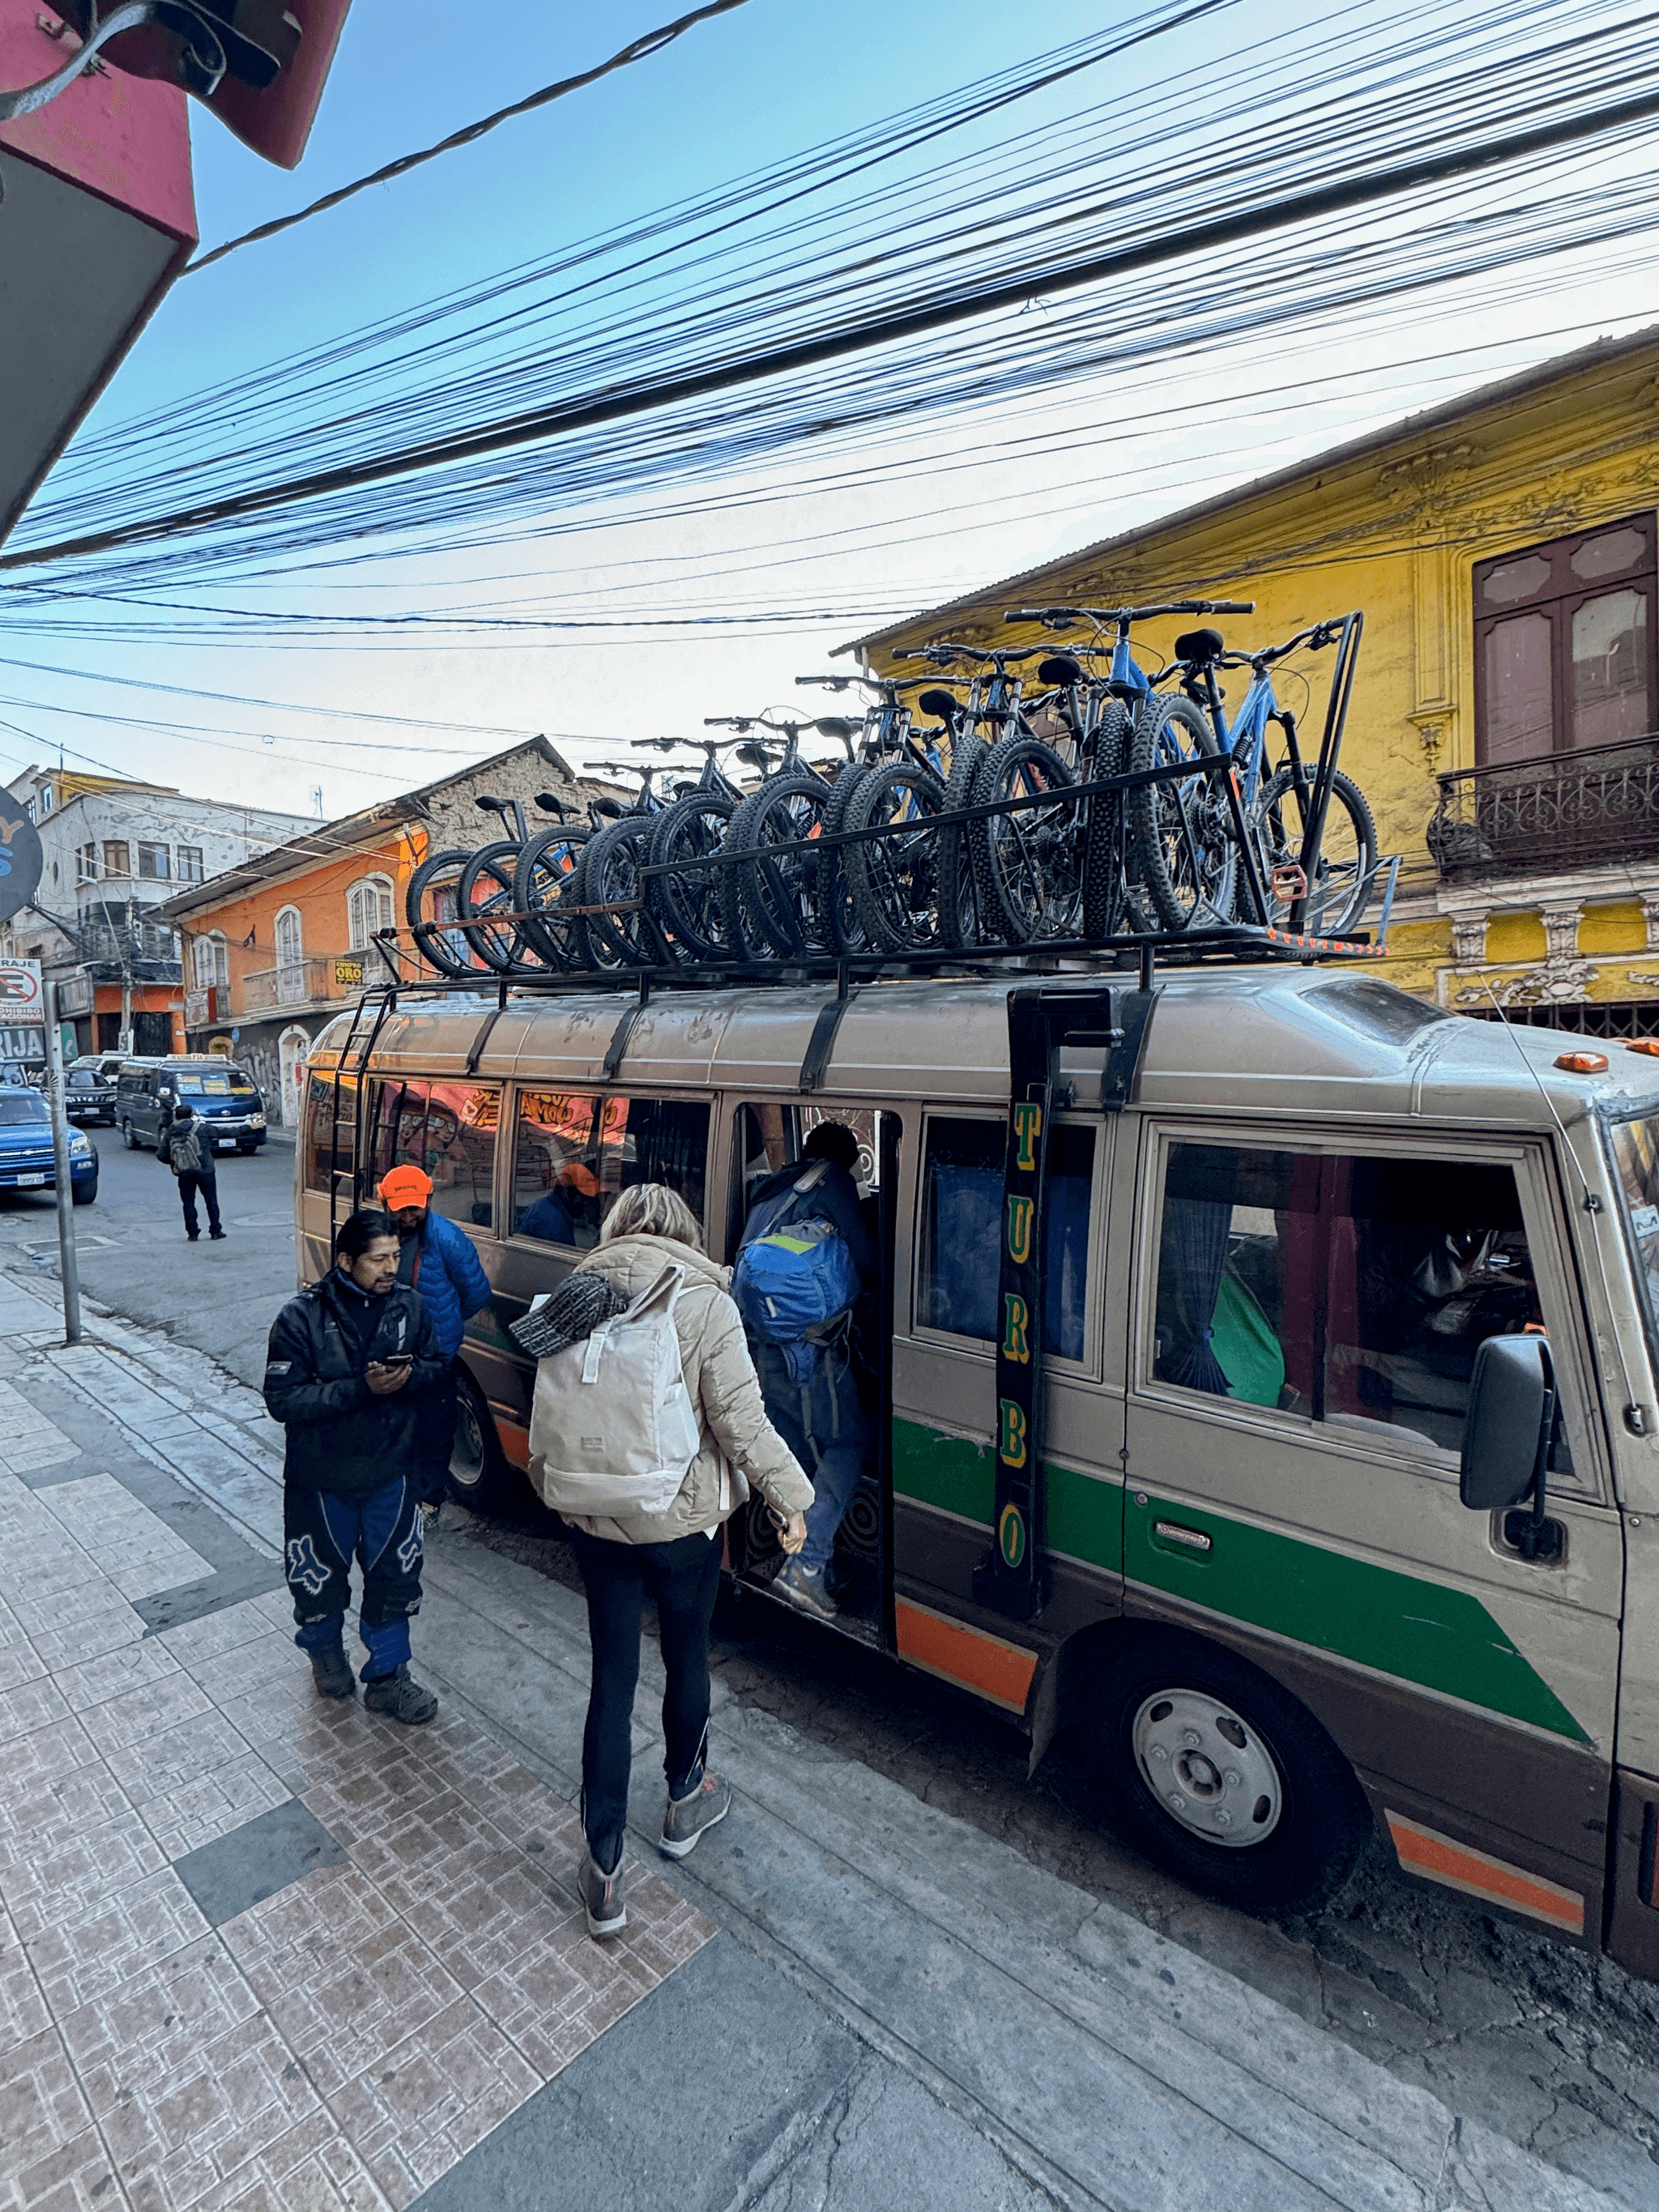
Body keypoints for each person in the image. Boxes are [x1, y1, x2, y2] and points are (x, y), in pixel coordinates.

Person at [535, 1181, 812, 1940]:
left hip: (598, 1519)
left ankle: (602, 1872)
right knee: (687, 1658)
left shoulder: (577, 1289)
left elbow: (551, 1407)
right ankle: (685, 1802)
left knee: (610, 1679)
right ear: (684, 1230)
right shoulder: (704, 1301)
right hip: (682, 1526)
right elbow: (743, 1424)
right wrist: (792, 1498)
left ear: (620, 1226)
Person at [263, 1208, 447, 1724]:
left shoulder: (411, 1308)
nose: (391, 1267)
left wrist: (409, 1378)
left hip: (392, 1474)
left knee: (396, 1579)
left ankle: (388, 1679)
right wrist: (358, 1389)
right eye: (378, 1259)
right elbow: (283, 1400)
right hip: (320, 1480)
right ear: (346, 1260)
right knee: (317, 1579)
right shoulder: (300, 1317)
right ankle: (325, 1654)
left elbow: (438, 1371)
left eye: (396, 1256)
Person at [743, 1122, 876, 1622]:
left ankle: (796, 1550)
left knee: (796, 1451)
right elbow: (864, 1256)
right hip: (812, 1353)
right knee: (847, 1442)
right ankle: (808, 1567)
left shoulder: (770, 1190)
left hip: (762, 1346)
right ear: (849, 1162)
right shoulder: (833, 1183)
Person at [376, 1163, 493, 1511]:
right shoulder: (377, 1237)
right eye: (401, 1209)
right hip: (388, 1353)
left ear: (428, 1200)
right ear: (385, 1205)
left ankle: (429, 1501)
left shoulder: (448, 1238)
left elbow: (476, 1292)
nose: (409, 1216)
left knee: (435, 1431)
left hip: (434, 1355)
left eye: (416, 1207)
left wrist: (447, 1327)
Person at [160, 1101, 225, 1242]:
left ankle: (192, 1233)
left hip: (184, 1173)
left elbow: (161, 1155)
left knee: (188, 1202)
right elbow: (223, 1132)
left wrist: (177, 1162)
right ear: (191, 1115)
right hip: (205, 1170)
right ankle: (215, 1230)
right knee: (211, 1201)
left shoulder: (170, 1132)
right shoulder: (202, 1128)